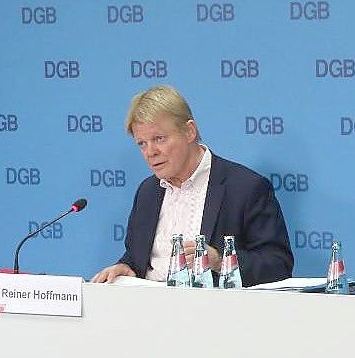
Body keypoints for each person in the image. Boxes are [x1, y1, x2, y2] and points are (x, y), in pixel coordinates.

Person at [91, 85, 293, 287]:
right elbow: (139, 258)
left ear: (189, 131)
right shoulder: (147, 191)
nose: (150, 152)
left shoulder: (245, 187)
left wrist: (219, 261)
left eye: (159, 139)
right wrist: (125, 268)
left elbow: (278, 264)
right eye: (142, 143)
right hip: (147, 309)